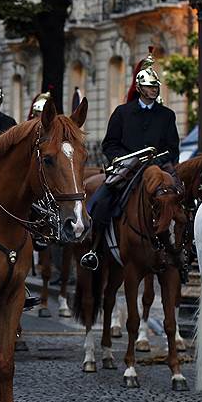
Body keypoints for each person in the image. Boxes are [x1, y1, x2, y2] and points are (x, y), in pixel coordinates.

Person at [82, 48, 180, 270]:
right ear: (139, 88)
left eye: (155, 87)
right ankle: (94, 249)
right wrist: (123, 159)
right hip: (127, 168)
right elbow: (109, 144)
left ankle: (179, 251)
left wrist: (159, 163)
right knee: (101, 200)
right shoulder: (122, 112)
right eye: (148, 87)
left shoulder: (167, 115)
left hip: (156, 169)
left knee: (179, 198)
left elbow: (172, 147)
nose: (153, 90)